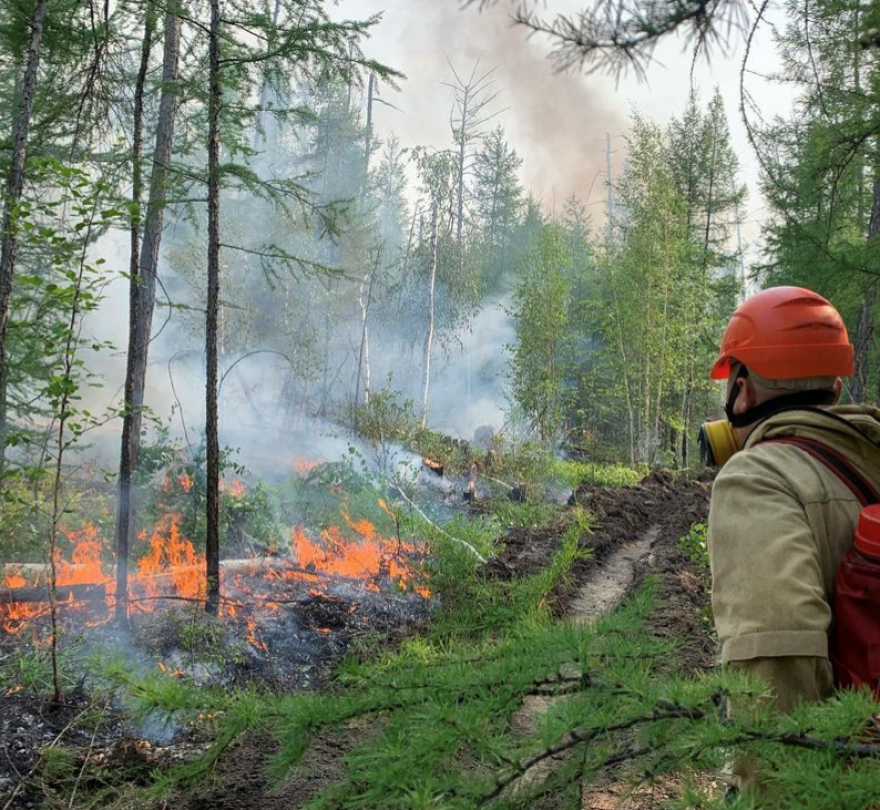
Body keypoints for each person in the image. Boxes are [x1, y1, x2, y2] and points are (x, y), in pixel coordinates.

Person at [707, 286, 880, 712]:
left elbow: (775, 670)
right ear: (836, 391)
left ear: (742, 392)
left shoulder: (757, 479)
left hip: (833, 773)